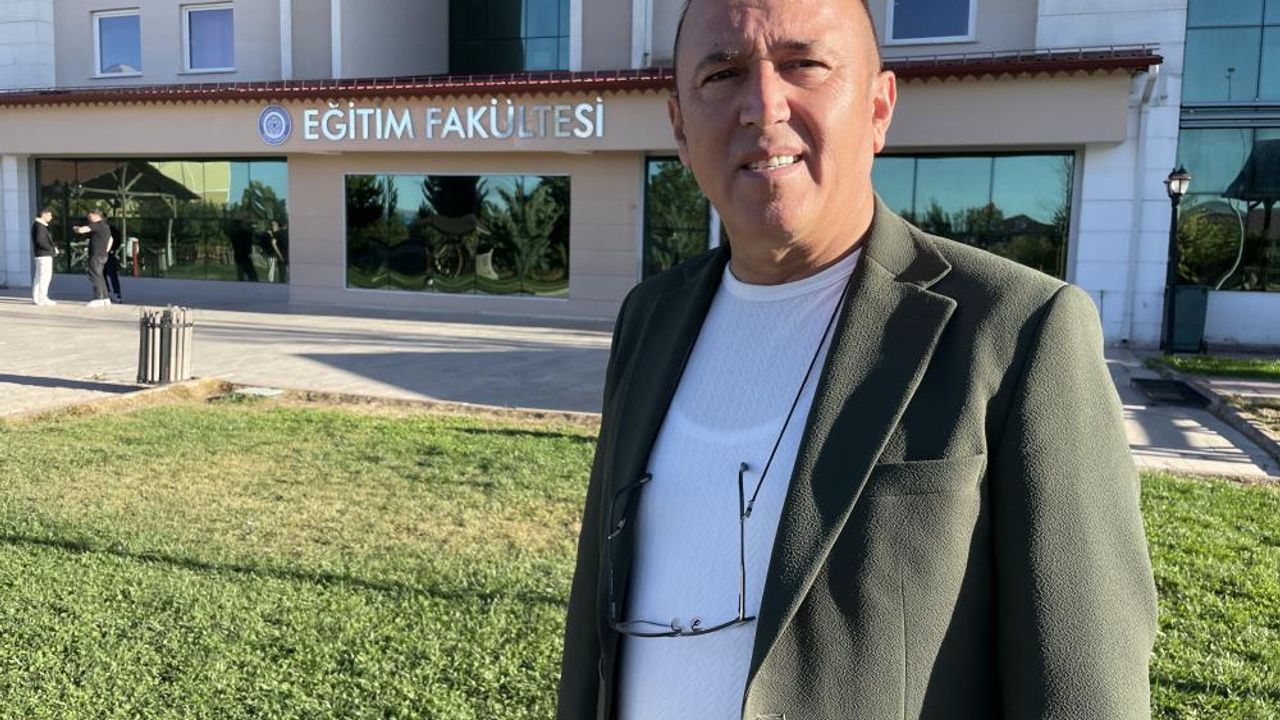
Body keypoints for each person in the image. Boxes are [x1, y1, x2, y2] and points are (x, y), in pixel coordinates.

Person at [557, 0, 1158, 718]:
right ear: (679, 128)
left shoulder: (1018, 330)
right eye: (721, 74)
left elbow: (1083, 690)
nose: (762, 105)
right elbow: (595, 614)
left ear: (878, 108)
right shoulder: (649, 318)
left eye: (804, 64)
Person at [73, 210, 114, 308]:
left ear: (96, 215)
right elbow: (111, 239)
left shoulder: (97, 225)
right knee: (100, 276)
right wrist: (106, 250)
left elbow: (82, 230)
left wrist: (75, 228)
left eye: (90, 216)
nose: (89, 218)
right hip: (103, 255)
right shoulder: (106, 226)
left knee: (94, 276)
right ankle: (105, 298)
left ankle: (98, 298)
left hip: (96, 255)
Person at [30, 208, 58, 306]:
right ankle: (42, 297)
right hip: (44, 254)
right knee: (44, 277)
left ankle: (37, 297)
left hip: (41, 254)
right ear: (43, 214)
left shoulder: (38, 225)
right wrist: (52, 250)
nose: (51, 217)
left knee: (39, 277)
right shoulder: (40, 226)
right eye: (49, 215)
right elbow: (40, 241)